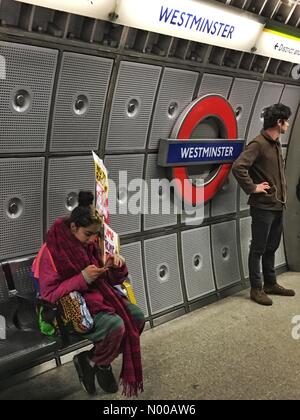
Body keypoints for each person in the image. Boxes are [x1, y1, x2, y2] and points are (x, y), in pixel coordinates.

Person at [35, 191, 145, 396]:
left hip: (98, 297)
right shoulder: (51, 251)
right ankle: (96, 362)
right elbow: (48, 295)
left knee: (137, 318)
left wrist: (115, 267)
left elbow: (109, 281)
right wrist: (82, 278)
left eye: (96, 234)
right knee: (116, 327)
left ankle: (94, 361)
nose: (92, 240)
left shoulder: (92, 243)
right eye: (88, 234)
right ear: (74, 227)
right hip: (68, 309)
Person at [232, 103, 295, 306]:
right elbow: (239, 167)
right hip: (263, 207)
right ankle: (256, 288)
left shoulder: (275, 143)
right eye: (286, 121)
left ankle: (270, 283)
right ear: (279, 122)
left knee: (271, 247)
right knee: (258, 248)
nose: (288, 125)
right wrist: (253, 187)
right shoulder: (258, 144)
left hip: (277, 205)